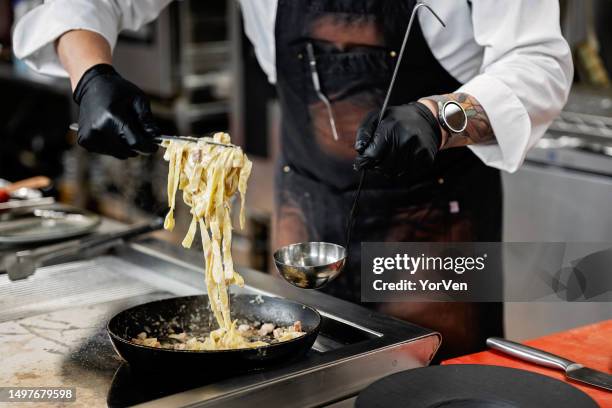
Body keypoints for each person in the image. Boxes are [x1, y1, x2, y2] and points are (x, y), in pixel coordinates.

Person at [13, 1, 573, 359]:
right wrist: (91, 76)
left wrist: (441, 115)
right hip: (305, 209)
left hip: (437, 220)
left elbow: (541, 63)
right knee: (297, 370)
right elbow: (87, 3)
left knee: (443, 384)